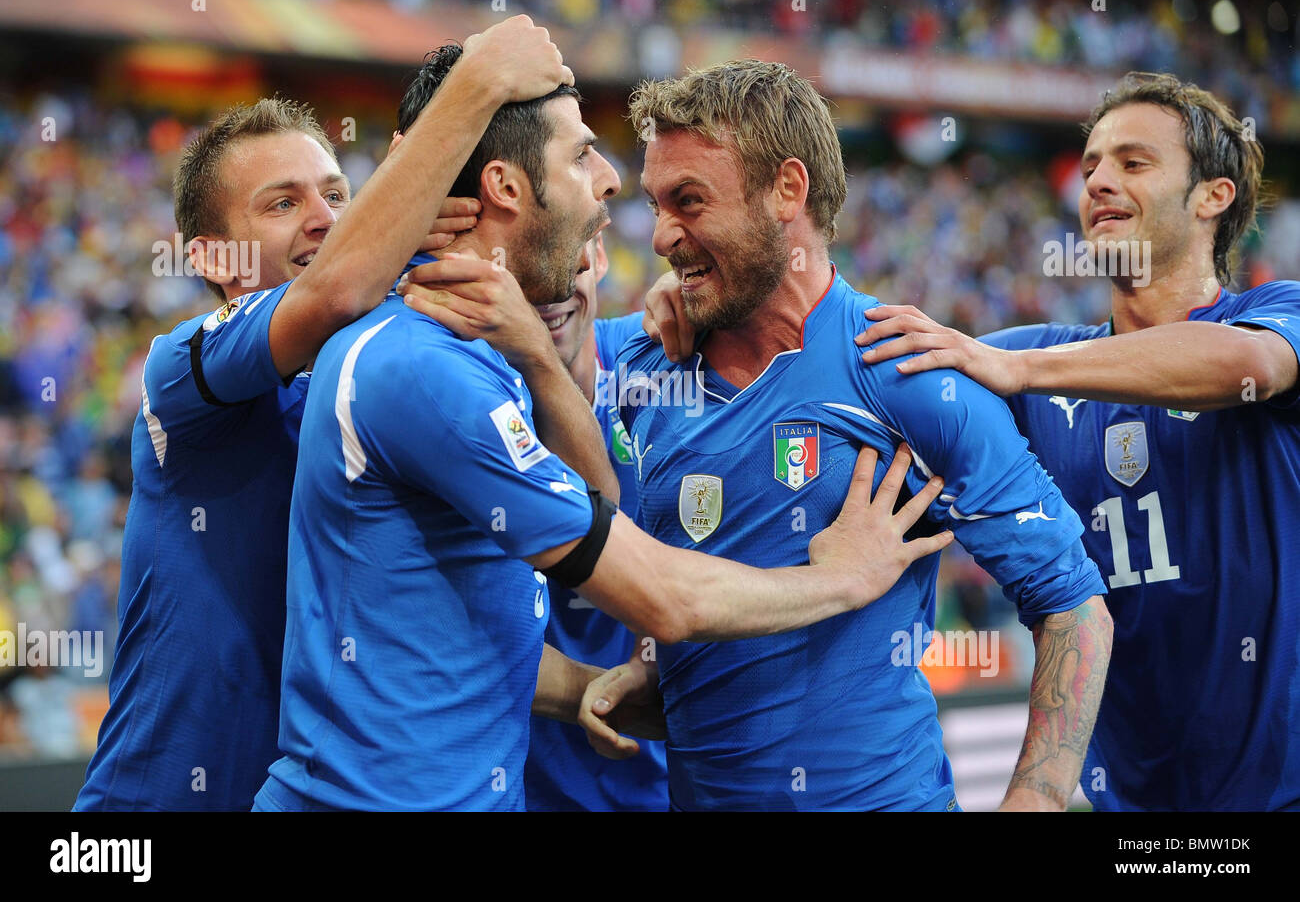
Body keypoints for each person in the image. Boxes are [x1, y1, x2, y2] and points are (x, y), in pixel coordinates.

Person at [253, 46, 953, 812]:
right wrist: (842, 578)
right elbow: (659, 595)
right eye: (582, 154)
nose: (610, 181)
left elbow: (548, 556)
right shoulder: (425, 369)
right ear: (506, 188)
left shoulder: (481, 353)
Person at [582, 59, 1112, 811]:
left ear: (786, 191)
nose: (663, 233)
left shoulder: (905, 368)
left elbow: (1073, 603)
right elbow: (526, 344)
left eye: (690, 201)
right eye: (657, 203)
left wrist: (1037, 797)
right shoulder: (641, 359)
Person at [75, 16, 573, 811]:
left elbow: (432, 641)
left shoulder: (371, 397)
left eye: (338, 195)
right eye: (282, 203)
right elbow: (334, 290)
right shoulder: (182, 371)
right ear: (210, 256)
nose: (325, 218)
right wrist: (476, 83)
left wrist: (590, 690)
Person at [846, 72, 1300, 811]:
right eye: (1090, 165)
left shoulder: (1276, 312)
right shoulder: (1033, 356)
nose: (1098, 181)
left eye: (1133, 162)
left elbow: (1248, 364)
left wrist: (1018, 368)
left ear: (1213, 196)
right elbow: (869, 389)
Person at [528, 234, 669, 810]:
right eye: (524, 270)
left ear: (601, 256)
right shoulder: (454, 402)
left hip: (670, 786)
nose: (551, 288)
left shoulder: (668, 358)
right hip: (525, 789)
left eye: (569, 260)